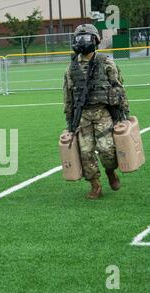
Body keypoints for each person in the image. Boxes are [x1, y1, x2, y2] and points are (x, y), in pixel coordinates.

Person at [63, 24, 130, 199]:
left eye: (87, 38)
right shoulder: (71, 69)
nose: (83, 42)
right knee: (85, 153)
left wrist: (125, 114)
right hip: (83, 116)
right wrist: (70, 123)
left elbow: (119, 89)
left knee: (107, 150)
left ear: (96, 41)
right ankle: (95, 185)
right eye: (80, 38)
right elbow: (68, 96)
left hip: (103, 113)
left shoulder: (107, 63)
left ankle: (110, 171)